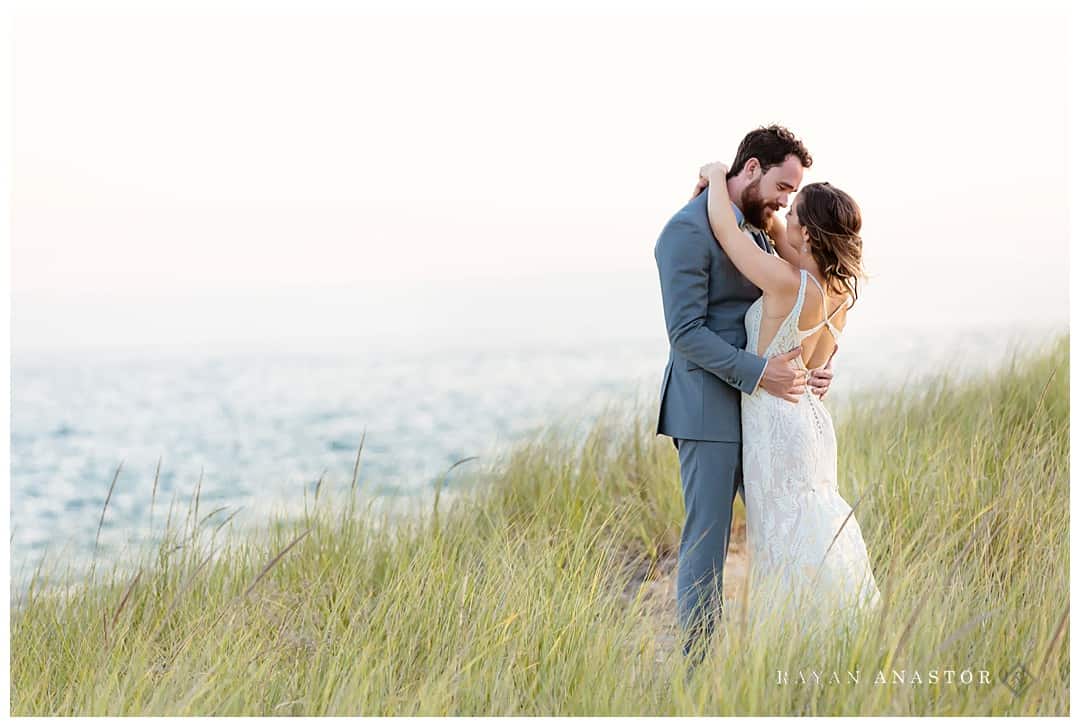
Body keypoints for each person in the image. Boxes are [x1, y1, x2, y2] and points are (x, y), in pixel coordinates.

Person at [653, 125, 834, 664]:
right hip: (707, 412)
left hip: (763, 417)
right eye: (783, 186)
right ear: (751, 169)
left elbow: (791, 314)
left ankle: (797, 655)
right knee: (706, 548)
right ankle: (698, 674)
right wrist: (761, 373)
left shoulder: (755, 228)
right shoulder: (686, 231)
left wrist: (810, 372)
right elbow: (685, 335)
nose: (786, 201)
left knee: (786, 534)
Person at [698, 158, 882, 641]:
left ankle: (792, 647)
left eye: (794, 213)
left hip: (777, 427)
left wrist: (717, 175)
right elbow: (821, 363)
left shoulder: (786, 282)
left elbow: (725, 228)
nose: (785, 217)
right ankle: (834, 638)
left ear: (809, 235)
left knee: (781, 542)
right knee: (808, 531)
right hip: (813, 424)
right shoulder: (840, 293)